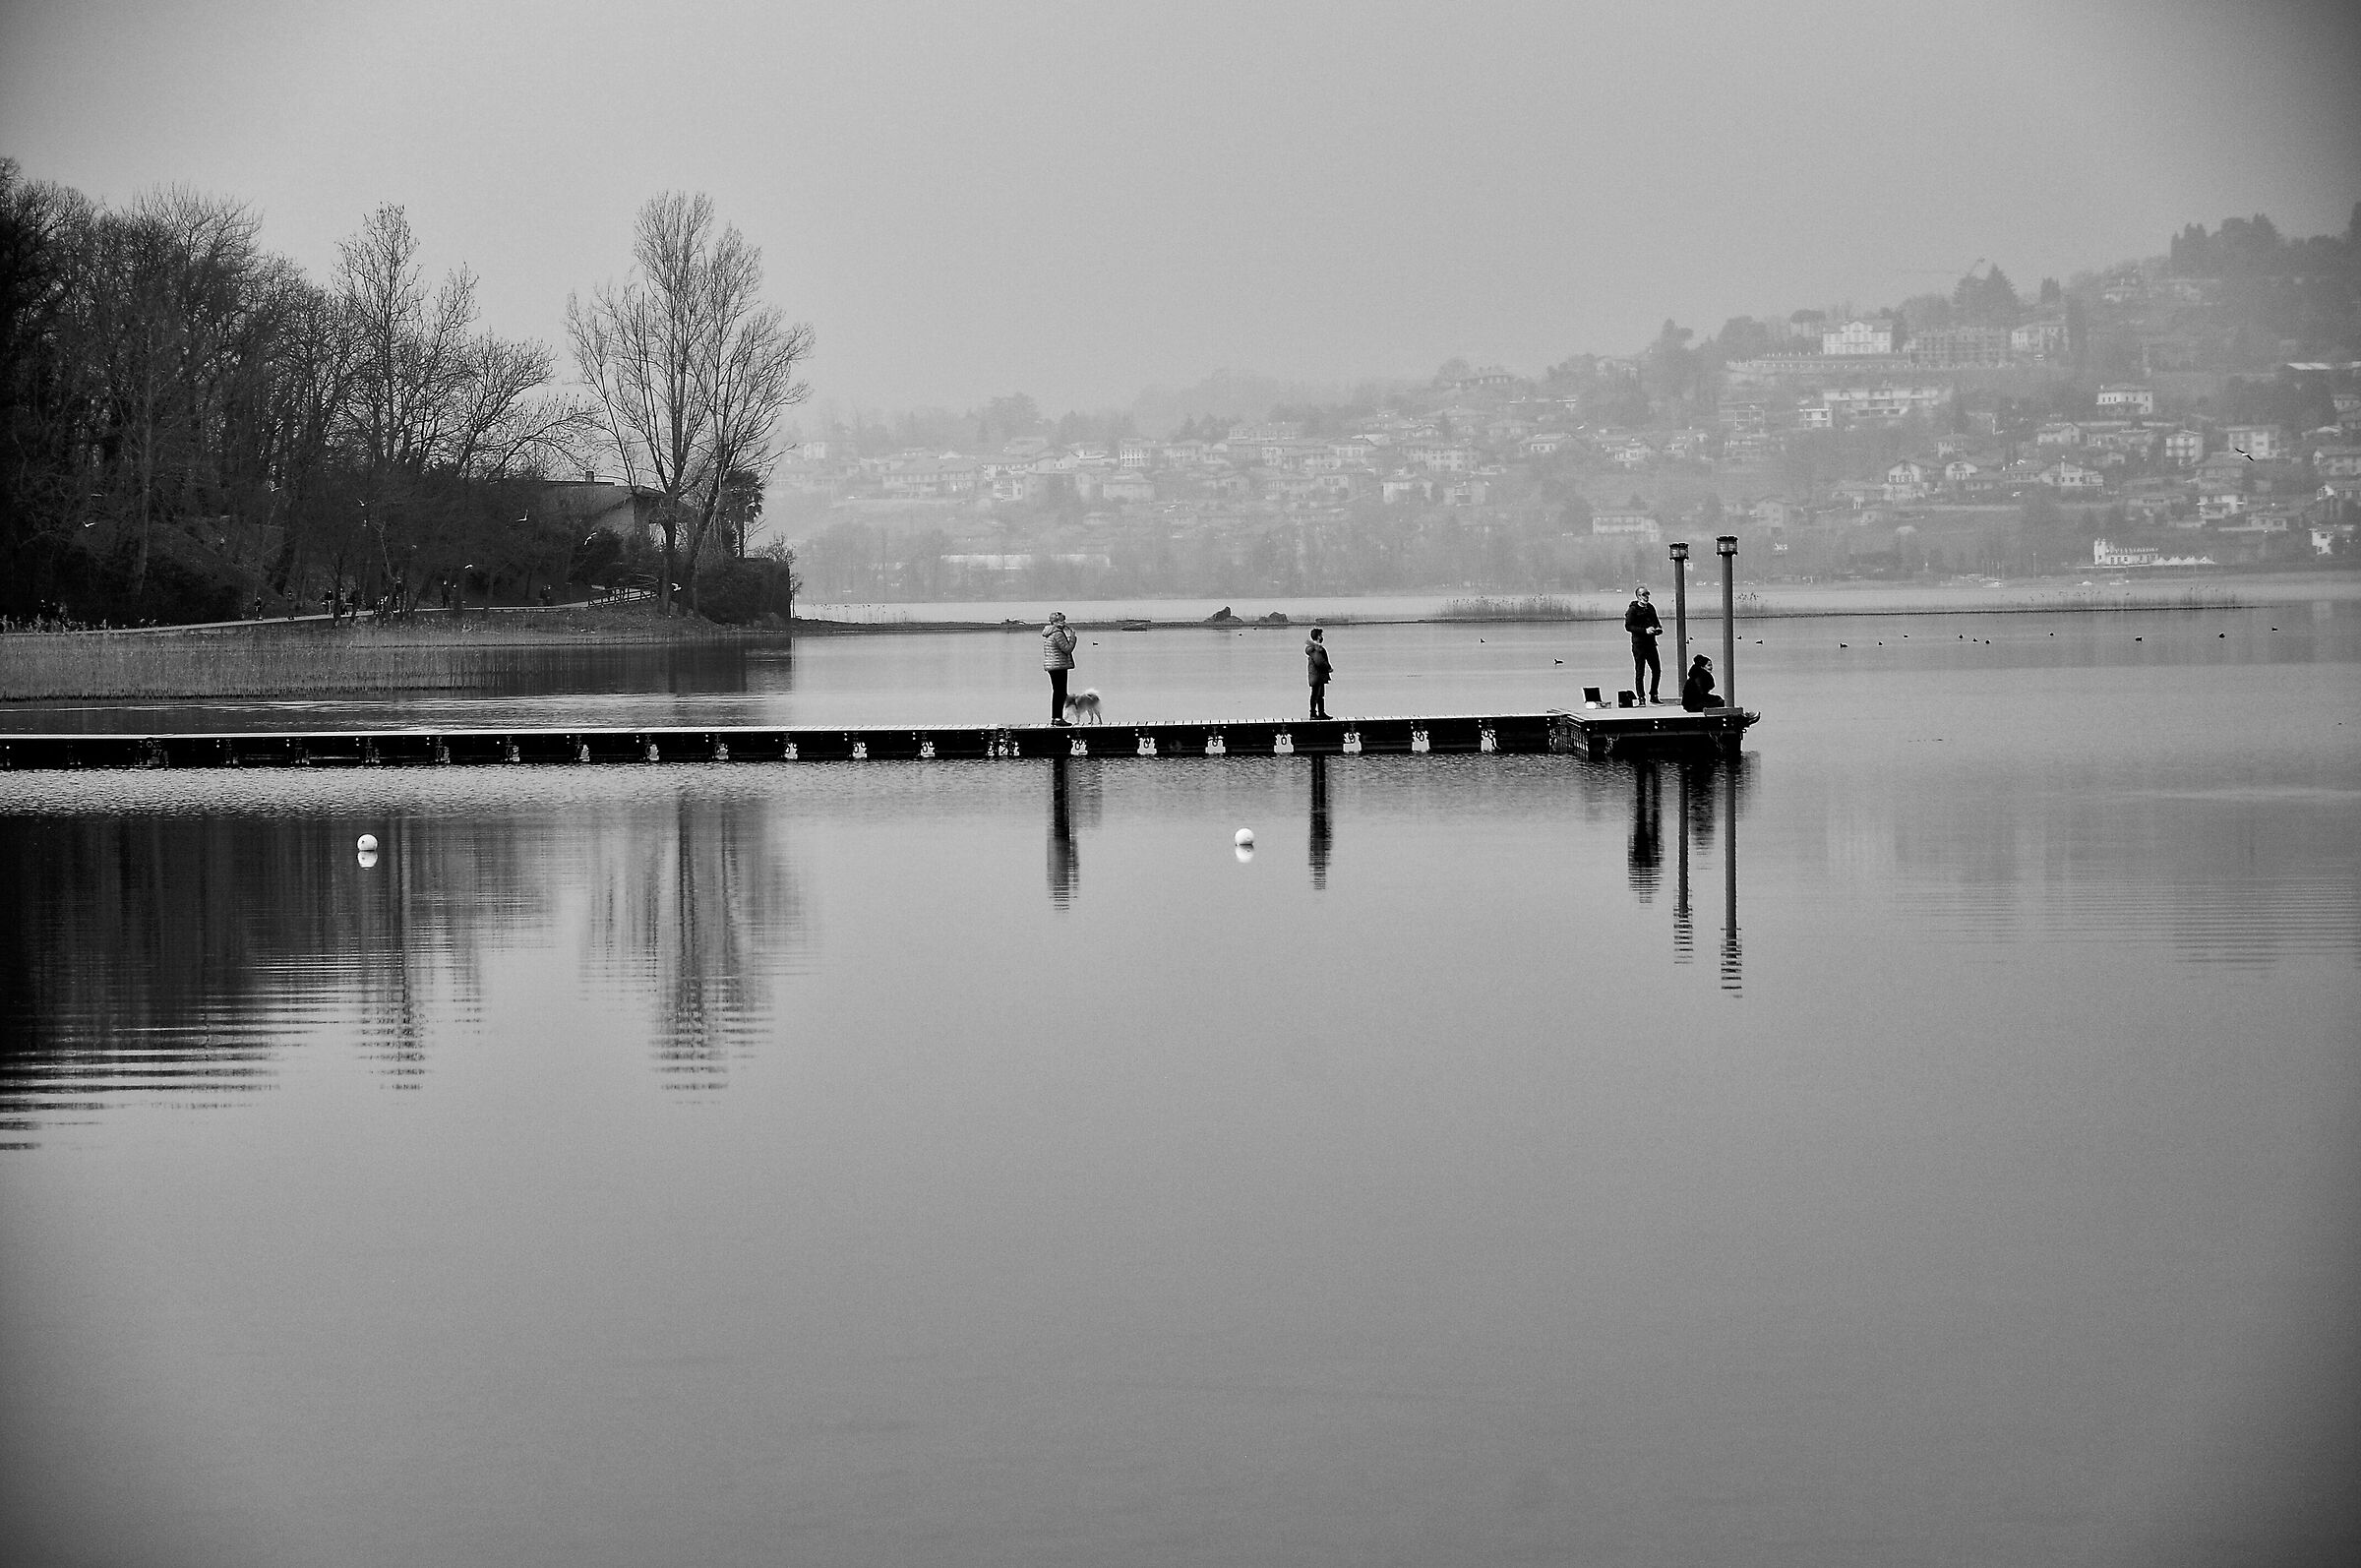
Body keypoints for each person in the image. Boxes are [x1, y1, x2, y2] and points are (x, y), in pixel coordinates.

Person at [1624, 584, 1663, 703]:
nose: (1646, 597)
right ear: (1638, 596)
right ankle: (1641, 697)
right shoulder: (1633, 610)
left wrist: (1657, 629)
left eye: (1647, 594)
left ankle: (1654, 694)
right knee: (1640, 671)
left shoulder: (1650, 608)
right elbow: (1628, 626)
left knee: (1657, 670)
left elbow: (1656, 621)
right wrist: (1644, 630)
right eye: (1643, 595)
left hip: (1651, 643)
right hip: (1639, 645)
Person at [1042, 610, 1078, 724]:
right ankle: (1057, 718)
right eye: (1062, 620)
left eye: (1064, 620)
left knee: (1058, 692)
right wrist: (1072, 638)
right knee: (1060, 692)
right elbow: (1067, 649)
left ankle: (1056, 718)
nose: (1064, 623)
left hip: (1053, 666)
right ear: (1055, 622)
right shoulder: (1057, 633)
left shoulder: (1049, 633)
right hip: (1058, 666)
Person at [1304, 627, 1334, 719]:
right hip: (1317, 676)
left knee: (1319, 695)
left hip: (1317, 675)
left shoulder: (1315, 648)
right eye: (1321, 635)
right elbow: (1319, 661)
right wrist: (1328, 668)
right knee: (1316, 695)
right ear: (1318, 637)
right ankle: (1314, 714)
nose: (1322, 637)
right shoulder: (1316, 649)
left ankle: (1321, 713)